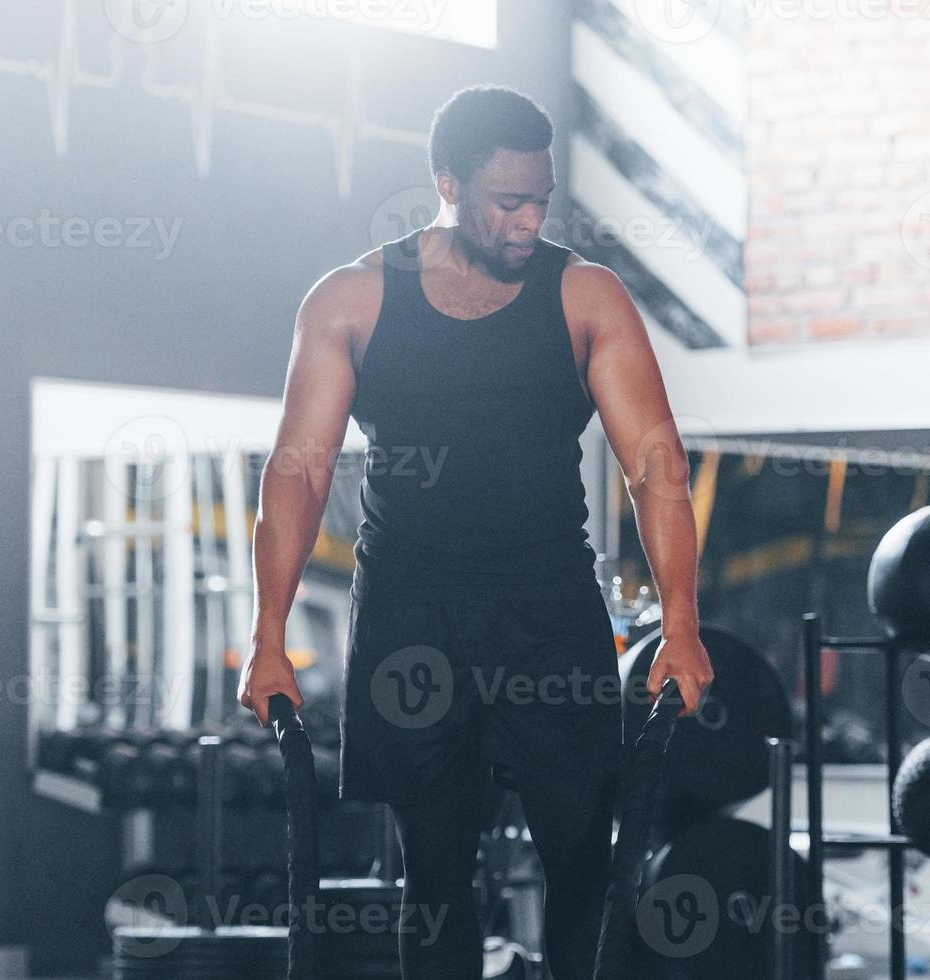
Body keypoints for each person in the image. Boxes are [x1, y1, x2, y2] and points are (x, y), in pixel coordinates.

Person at [238, 84, 713, 980]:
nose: (529, 222)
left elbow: (656, 464)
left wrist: (680, 625)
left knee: (585, 864)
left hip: (548, 610)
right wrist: (268, 639)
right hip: (411, 617)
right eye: (508, 203)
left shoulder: (586, 297)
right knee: (435, 882)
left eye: (543, 200)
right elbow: (297, 472)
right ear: (447, 184)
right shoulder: (353, 300)